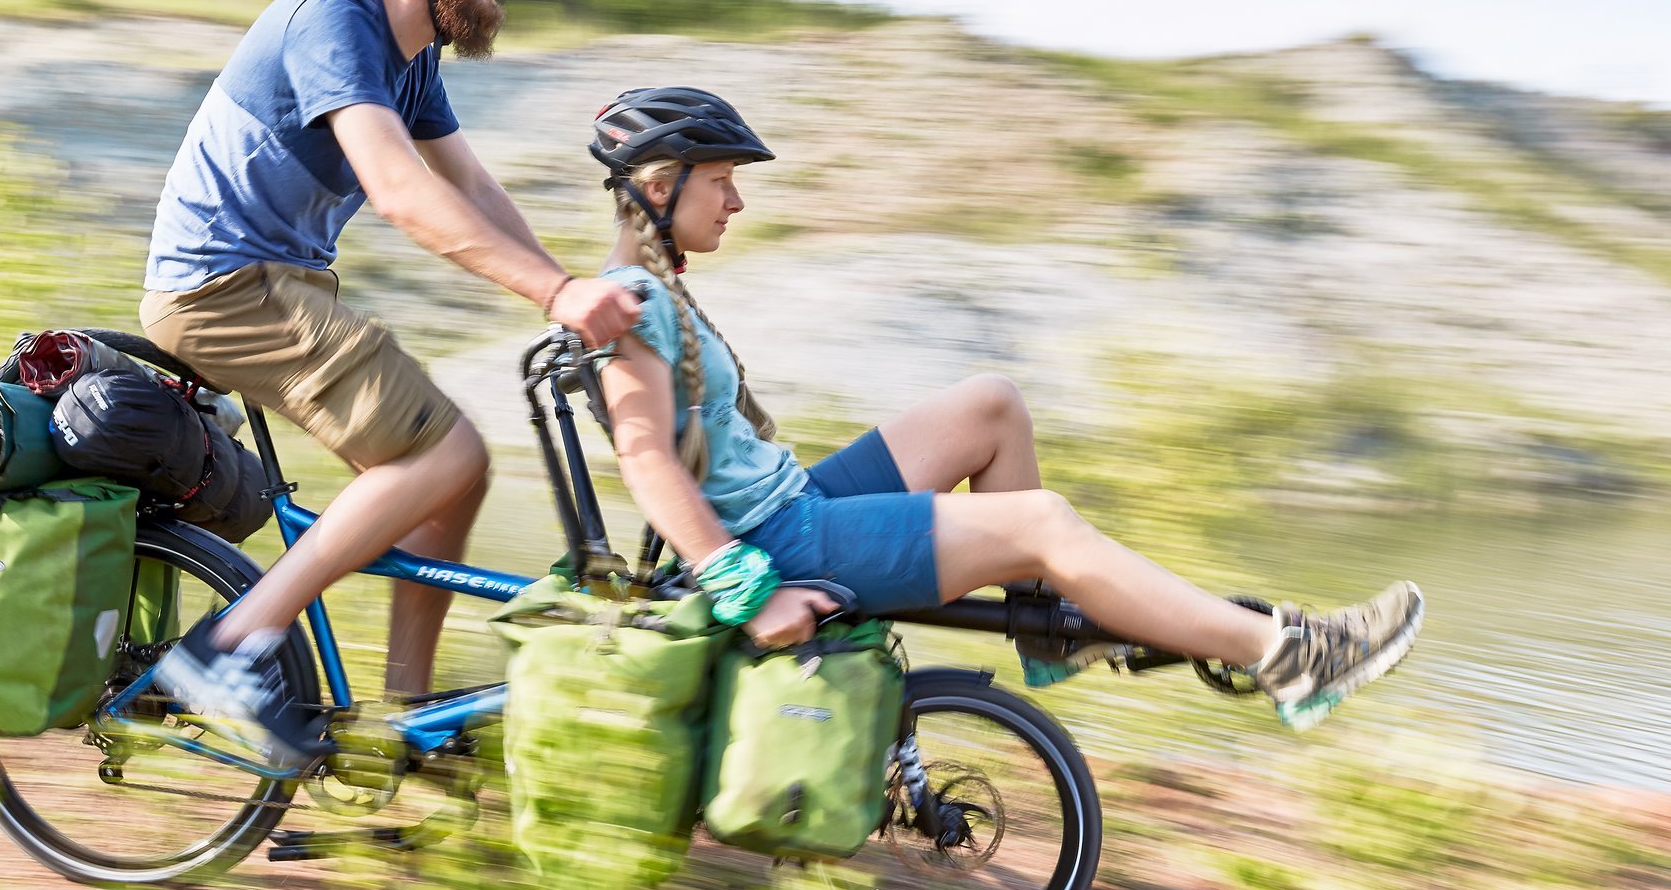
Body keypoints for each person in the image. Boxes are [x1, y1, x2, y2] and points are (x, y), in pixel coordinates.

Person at [585, 86, 1424, 729]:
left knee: (992, 405)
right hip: (775, 541)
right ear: (661, 186)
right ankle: (1291, 657)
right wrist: (746, 590)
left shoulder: (650, 289)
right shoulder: (632, 300)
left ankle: (1053, 624)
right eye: (722, 182)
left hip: (791, 502)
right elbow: (645, 457)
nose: (736, 202)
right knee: (1042, 521)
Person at [141, 0, 640, 761]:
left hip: (273, 288)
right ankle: (227, 648)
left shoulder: (412, 62)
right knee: (443, 448)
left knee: (460, 474)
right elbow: (403, 193)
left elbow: (476, 190)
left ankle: (395, 728)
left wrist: (566, 294)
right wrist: (558, 292)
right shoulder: (331, 17)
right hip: (221, 288)